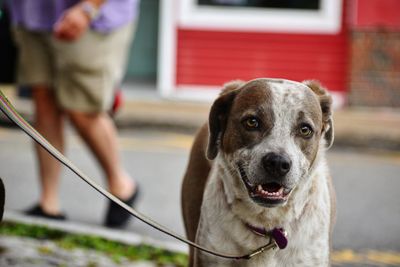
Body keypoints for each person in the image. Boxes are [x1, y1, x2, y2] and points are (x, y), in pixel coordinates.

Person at [8, 0, 140, 228]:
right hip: (31, 13)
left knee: (82, 109)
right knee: (44, 101)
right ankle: (48, 204)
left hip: (91, 15)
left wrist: (89, 7)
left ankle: (121, 185)